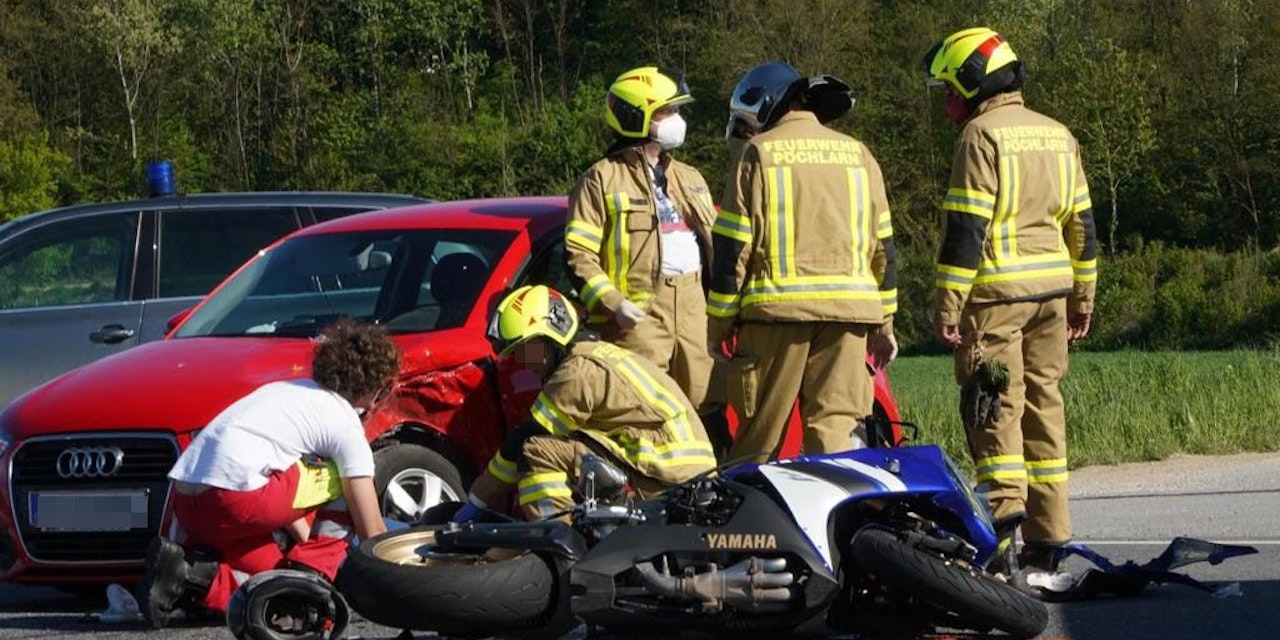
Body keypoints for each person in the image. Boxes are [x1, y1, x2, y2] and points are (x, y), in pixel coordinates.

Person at [920, 27, 1099, 582]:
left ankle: (1001, 530)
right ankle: (1050, 537)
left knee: (993, 405)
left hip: (997, 297)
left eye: (949, 89)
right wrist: (1083, 299)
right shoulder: (1057, 134)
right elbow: (1083, 228)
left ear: (974, 83)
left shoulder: (980, 136)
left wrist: (948, 306)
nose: (947, 102)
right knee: (1045, 407)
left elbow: (966, 232)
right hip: (1053, 293)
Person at [137, 318, 401, 627]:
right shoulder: (344, 422)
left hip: (190, 503)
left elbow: (285, 491)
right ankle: (313, 581)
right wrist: (403, 578)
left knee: (273, 590)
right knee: (343, 478)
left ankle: (190, 576)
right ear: (377, 389)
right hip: (234, 500)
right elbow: (371, 531)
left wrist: (302, 551)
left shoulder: (288, 392)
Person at [708, 61, 899, 464]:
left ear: (765, 104)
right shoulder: (859, 154)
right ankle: (834, 523)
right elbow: (884, 249)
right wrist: (884, 324)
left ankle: (756, 526)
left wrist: (718, 327)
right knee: (836, 436)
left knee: (760, 438)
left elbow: (731, 252)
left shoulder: (757, 154)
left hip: (775, 317)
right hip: (849, 317)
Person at [564, 65, 731, 459]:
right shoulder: (601, 179)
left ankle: (717, 490)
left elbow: (719, 247)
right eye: (665, 112)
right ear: (636, 117)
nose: (676, 121)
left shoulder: (690, 176)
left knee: (707, 403)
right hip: (637, 317)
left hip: (694, 308)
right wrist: (612, 303)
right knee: (644, 408)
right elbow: (578, 254)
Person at [453, 285, 717, 522]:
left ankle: (556, 537)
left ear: (552, 339)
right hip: (678, 468)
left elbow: (523, 438)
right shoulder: (594, 355)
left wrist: (477, 502)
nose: (524, 363)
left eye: (527, 351)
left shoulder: (576, 373)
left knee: (536, 450)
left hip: (668, 474)